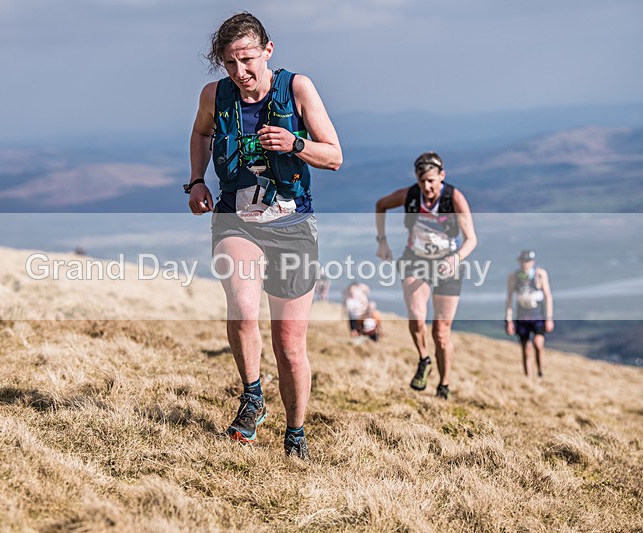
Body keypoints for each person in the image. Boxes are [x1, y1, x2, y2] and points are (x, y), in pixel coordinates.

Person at [186, 12, 342, 459]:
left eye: (248, 59)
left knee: (289, 347)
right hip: (235, 219)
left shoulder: (297, 88)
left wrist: (295, 144)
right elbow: (201, 132)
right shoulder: (214, 95)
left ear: (268, 51)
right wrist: (196, 181)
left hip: (292, 226)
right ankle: (252, 397)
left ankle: (296, 433)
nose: (240, 72)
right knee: (242, 305)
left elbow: (334, 156)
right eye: (230, 63)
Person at [375, 152, 477, 399]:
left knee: (441, 333)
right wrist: (382, 241)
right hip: (415, 260)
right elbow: (381, 205)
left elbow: (471, 239)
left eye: (431, 180)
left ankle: (444, 385)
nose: (427, 187)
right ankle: (424, 359)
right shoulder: (410, 195)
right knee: (417, 318)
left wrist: (456, 258)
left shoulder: (454, 198)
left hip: (447, 265)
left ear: (442, 176)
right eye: (422, 181)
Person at [505, 250, 554, 377]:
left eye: (527, 261)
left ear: (532, 262)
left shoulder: (540, 275)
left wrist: (549, 318)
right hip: (522, 316)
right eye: (523, 261)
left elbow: (548, 296)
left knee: (538, 344)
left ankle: (541, 371)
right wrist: (508, 320)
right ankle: (528, 377)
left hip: (537, 314)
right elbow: (509, 298)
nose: (525, 264)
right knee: (526, 348)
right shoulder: (514, 277)